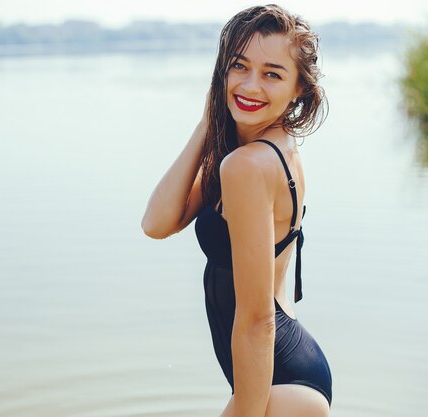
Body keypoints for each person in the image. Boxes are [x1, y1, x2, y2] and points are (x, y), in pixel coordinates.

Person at [141, 4, 332, 417]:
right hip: (284, 373)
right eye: (238, 67)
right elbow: (157, 222)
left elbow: (257, 319)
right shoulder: (259, 152)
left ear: (299, 87)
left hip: (276, 386)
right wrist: (210, 119)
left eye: (272, 74)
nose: (250, 85)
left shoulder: (247, 166)